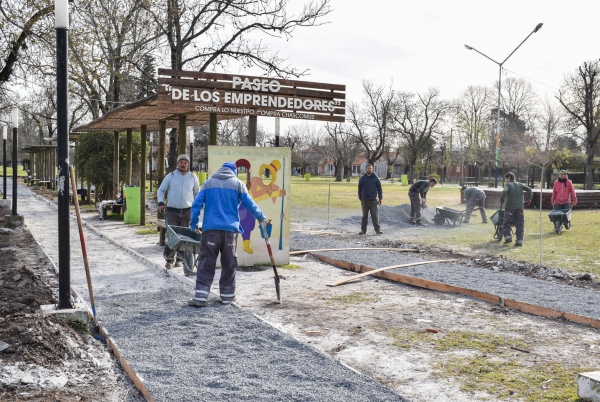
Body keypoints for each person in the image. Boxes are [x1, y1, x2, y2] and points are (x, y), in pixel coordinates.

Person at [188, 162, 266, 307]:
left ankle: (200, 296)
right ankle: (227, 296)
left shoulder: (208, 183)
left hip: (210, 231)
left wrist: (194, 224)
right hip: (230, 232)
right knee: (229, 263)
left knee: (206, 262)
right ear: (234, 172)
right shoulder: (238, 184)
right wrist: (261, 217)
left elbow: (196, 204)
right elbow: (250, 204)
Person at [157, 154, 200, 269]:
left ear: (188, 164)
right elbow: (161, 190)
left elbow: (197, 194)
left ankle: (180, 259)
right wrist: (161, 203)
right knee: (172, 235)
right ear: (177, 164)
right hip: (172, 210)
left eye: (185, 162)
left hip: (187, 211)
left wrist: (197, 208)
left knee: (185, 235)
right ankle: (169, 259)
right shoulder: (170, 176)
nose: (183, 164)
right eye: (181, 162)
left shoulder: (192, 177)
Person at [499, 172, 532, 247]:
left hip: (510, 207)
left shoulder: (508, 185)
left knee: (506, 222)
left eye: (505, 178)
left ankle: (508, 237)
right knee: (520, 224)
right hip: (520, 207)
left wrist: (501, 199)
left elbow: (504, 192)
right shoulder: (520, 185)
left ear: (509, 178)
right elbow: (529, 190)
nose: (505, 180)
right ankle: (519, 241)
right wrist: (529, 199)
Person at [358, 164, 383, 235]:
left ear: (372, 169)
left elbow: (379, 189)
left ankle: (377, 230)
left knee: (374, 216)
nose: (369, 169)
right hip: (364, 200)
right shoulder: (362, 178)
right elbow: (359, 189)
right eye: (368, 168)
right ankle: (363, 230)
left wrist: (380, 198)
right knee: (364, 216)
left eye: (370, 168)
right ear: (366, 169)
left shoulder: (376, 178)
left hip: (373, 200)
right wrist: (360, 197)